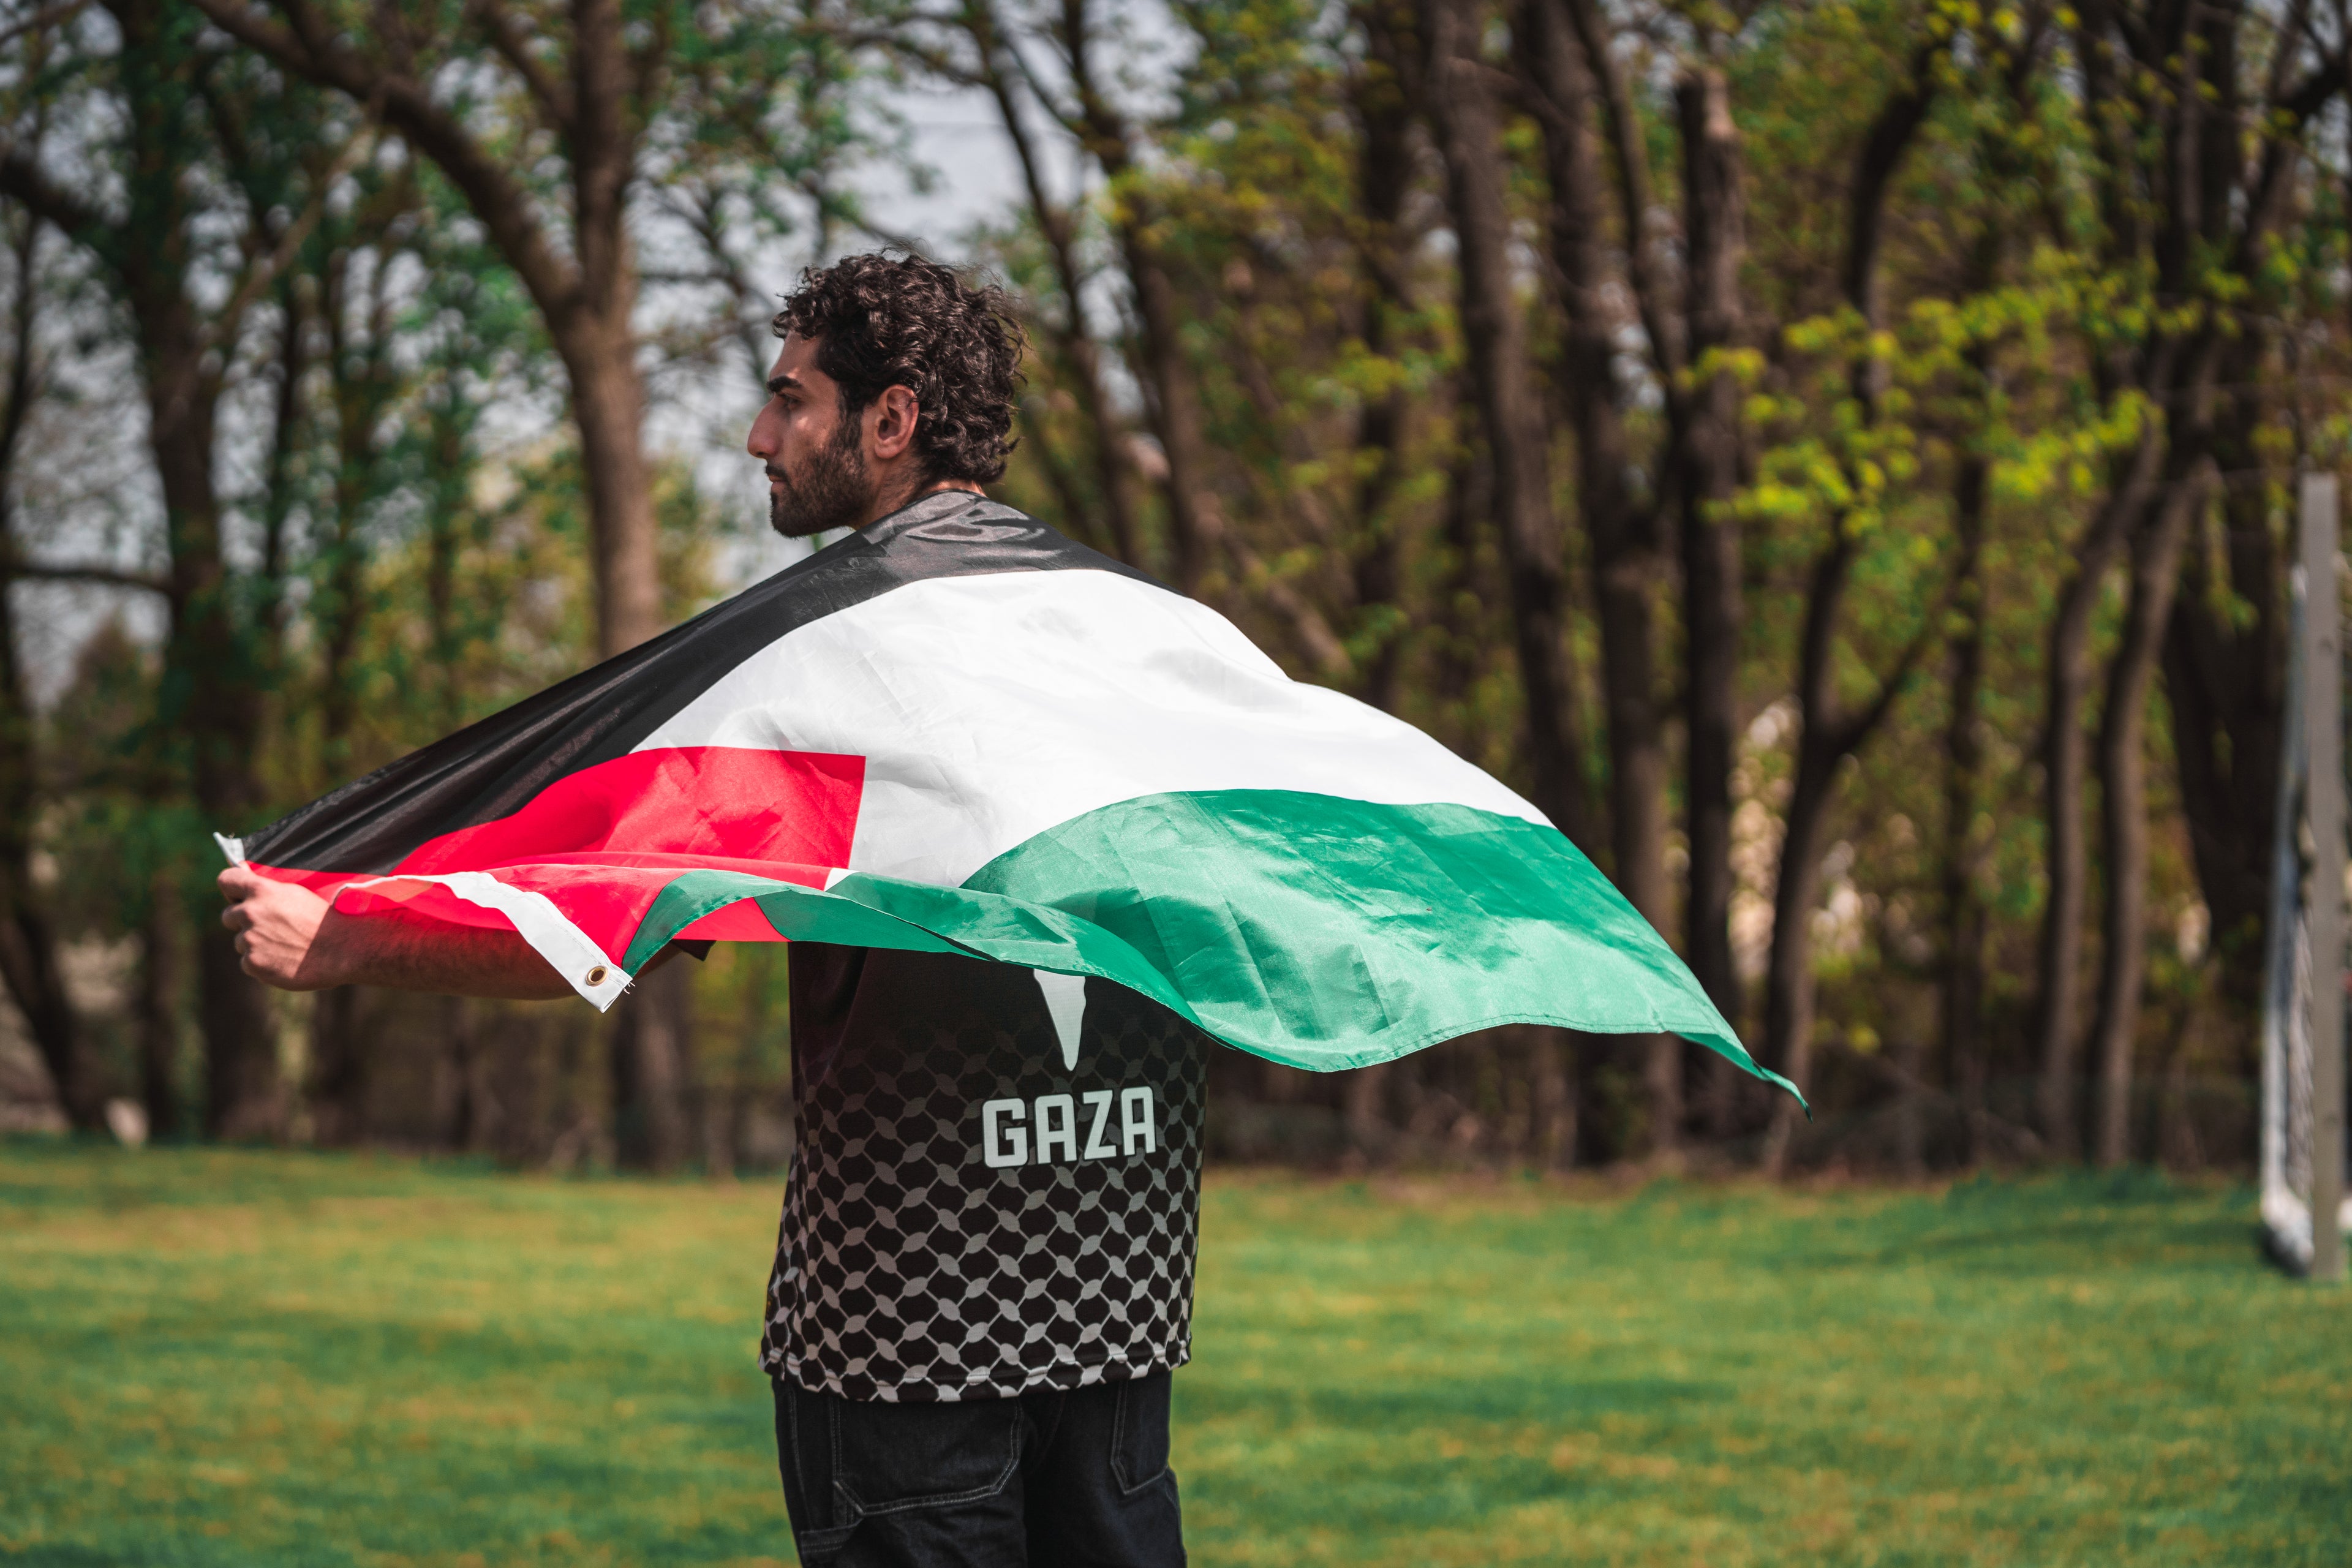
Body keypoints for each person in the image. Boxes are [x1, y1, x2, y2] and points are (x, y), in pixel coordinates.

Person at [220, 253, 1202, 1568]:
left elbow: (606, 927)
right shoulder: (1146, 639)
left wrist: (349, 936)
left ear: (891, 419)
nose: (758, 435)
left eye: (791, 399)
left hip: (911, 1338)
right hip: (1118, 1313)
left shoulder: (832, 655)